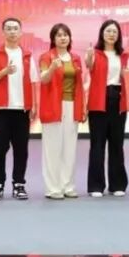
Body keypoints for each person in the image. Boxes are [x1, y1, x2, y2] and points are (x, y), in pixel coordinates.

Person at [0, 17, 36, 201]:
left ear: (20, 32)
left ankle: (19, 184)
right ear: (3, 32)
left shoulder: (27, 55)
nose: (12, 31)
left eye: (15, 28)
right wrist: (4, 72)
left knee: (21, 150)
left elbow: (33, 82)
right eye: (9, 28)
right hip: (1, 109)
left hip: (22, 109)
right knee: (0, 149)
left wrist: (33, 106)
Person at [38, 23, 85, 200]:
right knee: (52, 148)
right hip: (53, 106)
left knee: (70, 148)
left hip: (72, 105)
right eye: (59, 35)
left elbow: (79, 85)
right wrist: (52, 68)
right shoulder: (46, 57)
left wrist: (82, 107)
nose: (63, 38)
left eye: (65, 35)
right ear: (53, 39)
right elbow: (44, 79)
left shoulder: (75, 58)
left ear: (70, 38)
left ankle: (68, 185)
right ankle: (53, 188)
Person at [86, 19, 129, 197]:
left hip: (118, 99)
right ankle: (96, 186)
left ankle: (117, 184)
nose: (111, 34)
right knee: (97, 144)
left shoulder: (124, 56)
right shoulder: (95, 53)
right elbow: (89, 67)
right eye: (108, 31)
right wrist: (89, 57)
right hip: (99, 101)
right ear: (102, 34)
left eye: (114, 31)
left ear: (118, 35)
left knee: (117, 143)